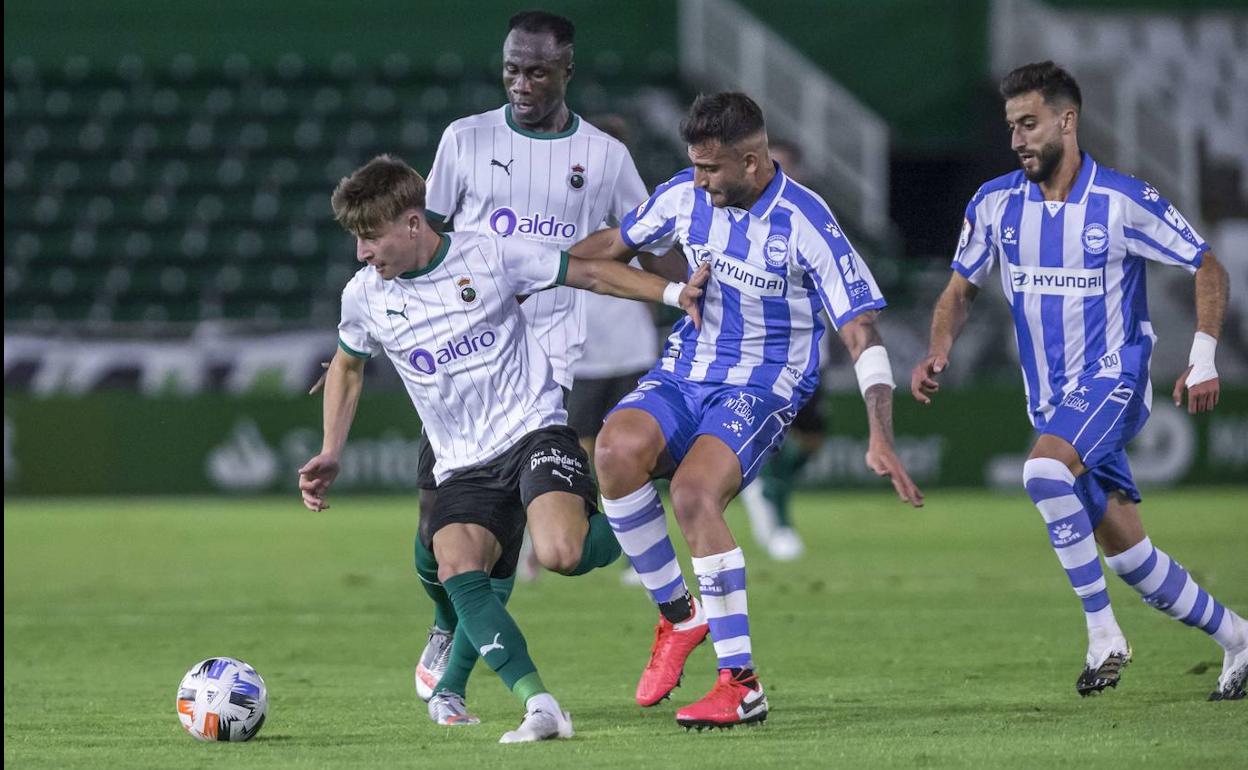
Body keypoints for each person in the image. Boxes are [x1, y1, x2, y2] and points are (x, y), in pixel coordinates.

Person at [298, 155, 706, 741]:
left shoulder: (488, 254)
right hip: (460, 460)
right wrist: (331, 449)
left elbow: (587, 273)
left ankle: (628, 509)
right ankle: (540, 706)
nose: (363, 253)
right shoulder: (364, 296)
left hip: (532, 429)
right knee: (454, 563)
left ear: (413, 223)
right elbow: (348, 365)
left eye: (371, 237)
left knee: (562, 553)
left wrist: (672, 292)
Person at [570, 92, 924, 729]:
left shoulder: (808, 221)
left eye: (712, 169)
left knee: (692, 495)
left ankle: (741, 684)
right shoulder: (684, 195)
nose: (700, 181)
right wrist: (537, 264)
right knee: (614, 451)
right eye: (696, 167)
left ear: (754, 162)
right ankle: (682, 617)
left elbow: (861, 331)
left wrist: (881, 433)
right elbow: (617, 243)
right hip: (685, 370)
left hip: (761, 387)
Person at [911, 61, 1245, 700]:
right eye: (1012, 127)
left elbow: (1207, 265)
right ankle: (1238, 637)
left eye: (1030, 124)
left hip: (1114, 379)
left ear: (1067, 121)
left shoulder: (1121, 200)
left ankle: (1102, 634)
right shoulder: (995, 203)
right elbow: (959, 289)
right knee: (1130, 560)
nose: (1018, 140)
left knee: (1041, 473)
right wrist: (937, 349)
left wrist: (1202, 355)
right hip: (1051, 401)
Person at [411, 10, 674, 708]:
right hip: (457, 366)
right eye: (510, 69)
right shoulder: (465, 140)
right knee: (434, 527)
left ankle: (459, 686)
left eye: (535, 70)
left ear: (567, 71)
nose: (521, 82)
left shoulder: (605, 157)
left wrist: (692, 285)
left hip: (541, 374)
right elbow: (423, 244)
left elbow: (646, 238)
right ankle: (447, 625)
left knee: (507, 530)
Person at [736, 139, 825, 560]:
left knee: (812, 439)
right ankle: (776, 511)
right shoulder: (747, 219)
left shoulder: (813, 215)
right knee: (769, 434)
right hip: (763, 354)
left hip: (808, 349)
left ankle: (762, 484)